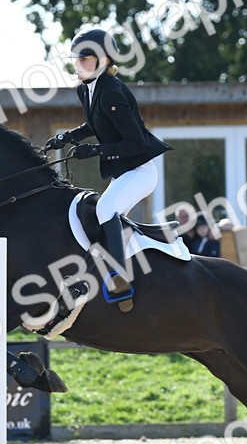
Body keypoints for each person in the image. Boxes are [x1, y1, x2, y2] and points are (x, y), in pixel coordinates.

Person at [44, 28, 171, 307]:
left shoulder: (113, 91)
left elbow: (136, 143)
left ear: (102, 60)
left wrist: (95, 150)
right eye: (75, 58)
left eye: (83, 58)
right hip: (123, 173)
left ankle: (117, 276)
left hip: (141, 171)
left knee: (105, 209)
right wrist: (67, 138)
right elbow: (94, 124)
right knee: (96, 217)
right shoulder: (86, 89)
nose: (77, 63)